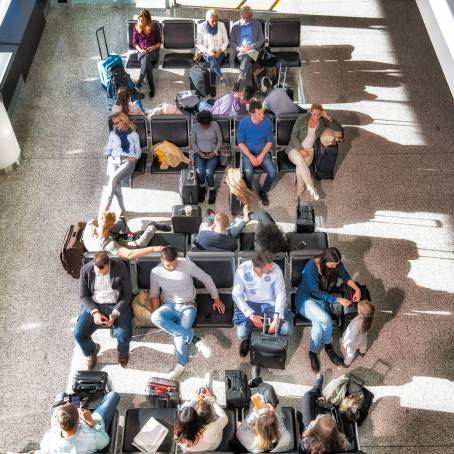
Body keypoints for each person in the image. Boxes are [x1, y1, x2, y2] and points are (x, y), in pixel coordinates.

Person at [150, 247, 225, 379]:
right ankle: (195, 340)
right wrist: (161, 316)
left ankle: (181, 364)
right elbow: (154, 294)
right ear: (161, 259)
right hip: (169, 306)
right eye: (169, 265)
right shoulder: (155, 272)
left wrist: (217, 299)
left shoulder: (186, 263)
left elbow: (206, 278)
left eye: (174, 264)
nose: (172, 268)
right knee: (155, 316)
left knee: (179, 338)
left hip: (188, 305)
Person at [294, 247, 361, 372]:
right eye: (331, 265)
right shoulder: (310, 268)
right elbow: (316, 292)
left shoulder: (335, 264)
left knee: (318, 329)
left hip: (323, 300)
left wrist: (357, 289)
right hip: (306, 299)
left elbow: (346, 276)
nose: (335, 267)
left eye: (336, 265)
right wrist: (337, 300)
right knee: (325, 319)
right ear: (324, 261)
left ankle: (313, 352)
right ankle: (328, 345)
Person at [74, 251, 132, 368]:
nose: (100, 274)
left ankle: (123, 352)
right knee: (79, 334)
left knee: (124, 334)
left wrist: (115, 313)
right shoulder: (86, 269)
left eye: (103, 271)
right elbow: (83, 296)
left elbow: (127, 295)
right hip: (95, 304)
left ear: (109, 263)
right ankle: (91, 350)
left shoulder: (120, 267)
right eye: (97, 271)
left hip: (116, 304)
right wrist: (95, 312)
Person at [232, 250, 293, 357]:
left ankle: (274, 343)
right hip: (250, 303)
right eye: (268, 267)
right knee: (241, 333)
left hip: (270, 304)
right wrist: (250, 315)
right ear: (258, 267)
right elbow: (237, 294)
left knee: (287, 329)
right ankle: (247, 339)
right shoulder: (243, 269)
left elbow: (280, 293)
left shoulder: (276, 269)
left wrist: (277, 318)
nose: (271, 268)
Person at [285, 103, 342, 201]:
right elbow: (293, 136)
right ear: (310, 112)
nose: (316, 117)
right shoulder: (302, 119)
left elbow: (338, 128)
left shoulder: (322, 122)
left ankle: (299, 193)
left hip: (309, 150)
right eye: (314, 114)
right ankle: (311, 188)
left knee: (300, 168)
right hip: (294, 148)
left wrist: (327, 116)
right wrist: (300, 149)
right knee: (300, 162)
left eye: (319, 115)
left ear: (321, 114)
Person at [39, 391, 120, 453]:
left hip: (66, 428)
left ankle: (76, 397)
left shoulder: (49, 439)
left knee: (61, 395)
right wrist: (90, 421)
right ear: (78, 421)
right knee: (113, 395)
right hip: (92, 424)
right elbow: (105, 442)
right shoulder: (90, 437)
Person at [83, 211, 170, 260]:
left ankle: (131, 237)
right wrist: (154, 248)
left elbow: (102, 219)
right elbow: (129, 255)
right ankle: (153, 226)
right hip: (106, 246)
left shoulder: (90, 224)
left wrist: (129, 237)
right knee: (140, 245)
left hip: (102, 239)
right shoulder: (108, 244)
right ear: (111, 226)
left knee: (121, 221)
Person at [238, 100, 277, 206]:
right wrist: (251, 157)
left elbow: (269, 142)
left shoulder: (267, 123)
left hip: (262, 152)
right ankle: (249, 191)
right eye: (259, 113)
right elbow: (240, 143)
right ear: (252, 114)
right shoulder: (243, 123)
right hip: (248, 152)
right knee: (248, 172)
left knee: (273, 172)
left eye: (262, 112)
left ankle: (264, 191)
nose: (262, 115)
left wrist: (261, 156)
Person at [299, 374, 351, 454]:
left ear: (316, 430)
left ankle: (317, 388)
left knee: (308, 396)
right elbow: (348, 446)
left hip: (311, 432)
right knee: (316, 402)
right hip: (327, 437)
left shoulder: (308, 444)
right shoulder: (342, 443)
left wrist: (312, 425)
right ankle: (318, 393)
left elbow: (302, 445)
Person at [236, 381, 292, 453]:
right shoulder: (286, 439)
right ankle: (259, 382)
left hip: (250, 443)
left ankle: (258, 382)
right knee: (269, 392)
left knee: (267, 392)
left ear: (256, 427)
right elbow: (281, 425)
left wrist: (255, 412)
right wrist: (274, 412)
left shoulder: (247, 438)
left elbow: (246, 424)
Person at [103, 112, 141, 215]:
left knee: (113, 179)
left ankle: (105, 210)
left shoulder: (133, 135)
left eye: (116, 123)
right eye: (114, 123)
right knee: (116, 185)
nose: (115, 125)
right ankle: (123, 210)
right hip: (113, 160)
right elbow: (108, 148)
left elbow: (138, 151)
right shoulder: (112, 134)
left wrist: (135, 158)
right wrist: (108, 155)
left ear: (123, 121)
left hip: (127, 161)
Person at [174, 381, 228, 452]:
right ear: (197, 420)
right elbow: (224, 418)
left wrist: (195, 400)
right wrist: (212, 399)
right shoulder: (211, 429)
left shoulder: (177, 433)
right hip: (212, 447)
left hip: (191, 451)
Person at [192, 110, 223, 204]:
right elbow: (193, 142)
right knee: (199, 171)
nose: (205, 126)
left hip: (212, 153)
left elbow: (220, 140)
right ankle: (202, 188)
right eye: (203, 125)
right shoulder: (195, 127)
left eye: (207, 124)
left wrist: (214, 152)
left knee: (209, 172)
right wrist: (198, 152)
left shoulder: (215, 125)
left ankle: (212, 190)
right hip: (199, 153)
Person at [230, 5, 265, 84]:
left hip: (254, 51)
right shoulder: (235, 26)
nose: (245, 20)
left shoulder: (257, 24)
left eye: (247, 18)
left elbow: (261, 40)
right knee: (247, 63)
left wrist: (251, 47)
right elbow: (231, 41)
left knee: (247, 57)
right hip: (240, 52)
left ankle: (240, 81)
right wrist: (239, 48)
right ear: (240, 15)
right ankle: (248, 87)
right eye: (243, 17)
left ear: (251, 15)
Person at [196, 9, 229, 87]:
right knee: (211, 58)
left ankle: (213, 85)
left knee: (213, 61)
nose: (214, 23)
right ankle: (220, 77)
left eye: (216, 20)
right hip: (207, 52)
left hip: (220, 52)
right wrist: (209, 51)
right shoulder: (201, 27)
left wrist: (220, 50)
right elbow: (199, 44)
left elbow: (226, 41)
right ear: (207, 20)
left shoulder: (221, 25)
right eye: (212, 21)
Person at [132, 9, 161, 97]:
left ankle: (139, 83)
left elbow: (159, 42)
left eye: (144, 20)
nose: (142, 21)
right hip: (141, 53)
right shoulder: (137, 27)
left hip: (153, 52)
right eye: (140, 19)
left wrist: (152, 48)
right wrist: (141, 50)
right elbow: (135, 43)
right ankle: (152, 88)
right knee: (147, 63)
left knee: (147, 59)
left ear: (148, 19)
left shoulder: (154, 26)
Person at [342, 300, 375, 366]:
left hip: (353, 343)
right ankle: (362, 352)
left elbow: (350, 336)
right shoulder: (370, 319)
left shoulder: (355, 323)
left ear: (361, 313)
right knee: (364, 343)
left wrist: (345, 343)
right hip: (363, 337)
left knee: (350, 353)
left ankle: (346, 363)